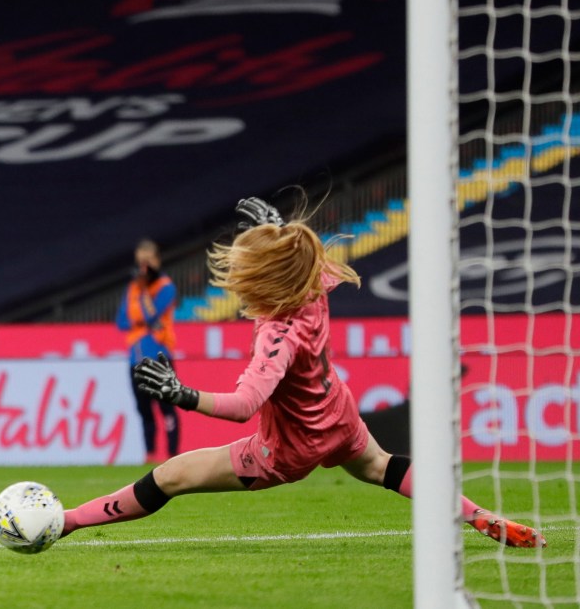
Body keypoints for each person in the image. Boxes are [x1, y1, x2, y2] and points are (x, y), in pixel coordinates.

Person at [60, 196, 546, 549]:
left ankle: (67, 522)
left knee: (171, 475)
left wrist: (181, 393)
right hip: (339, 418)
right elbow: (308, 262)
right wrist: (280, 230)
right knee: (382, 466)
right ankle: (480, 516)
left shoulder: (277, 335)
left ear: (264, 280)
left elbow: (243, 405)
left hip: (287, 448)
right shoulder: (314, 290)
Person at [115, 238, 179, 463]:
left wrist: (142, 305)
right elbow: (121, 322)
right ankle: (150, 455)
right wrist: (142, 319)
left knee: (167, 409)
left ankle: (173, 457)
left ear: (156, 261)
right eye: (140, 262)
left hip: (160, 356)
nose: (143, 267)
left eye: (147, 261)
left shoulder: (166, 287)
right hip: (135, 357)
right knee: (144, 411)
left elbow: (153, 315)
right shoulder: (132, 288)